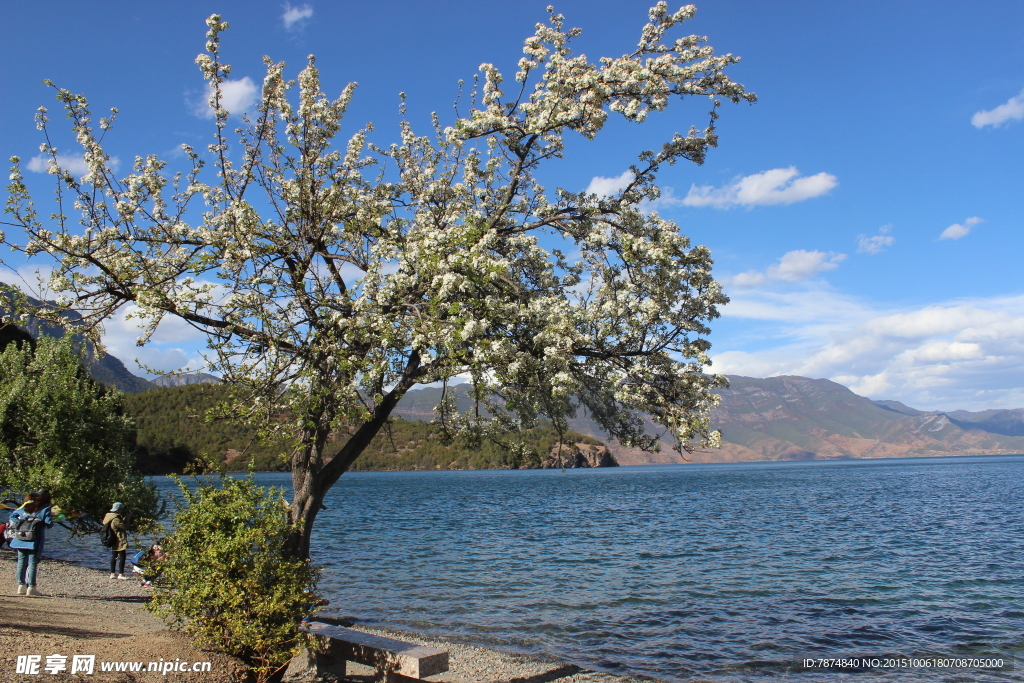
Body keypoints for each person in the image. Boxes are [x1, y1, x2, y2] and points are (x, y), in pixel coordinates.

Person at [9, 490, 54, 596]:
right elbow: (49, 524)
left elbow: (12, 516)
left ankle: (21, 586)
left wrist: (19, 524)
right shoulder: (45, 508)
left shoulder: (26, 506)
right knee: (32, 563)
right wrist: (52, 517)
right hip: (34, 539)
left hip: (20, 537)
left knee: (21, 562)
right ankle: (31, 588)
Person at [101, 502, 130, 580]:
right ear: (118, 510)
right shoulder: (116, 518)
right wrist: (127, 519)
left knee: (114, 556)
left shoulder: (108, 517)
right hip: (119, 539)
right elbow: (124, 527)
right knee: (122, 556)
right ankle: (120, 574)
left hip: (112, 538)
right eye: (120, 510)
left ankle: (112, 573)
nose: (121, 511)